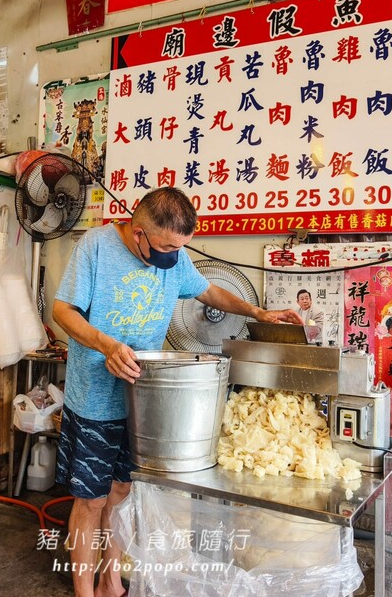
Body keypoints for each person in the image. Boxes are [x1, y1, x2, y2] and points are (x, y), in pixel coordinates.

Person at [52, 187, 301, 597]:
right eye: (167, 246)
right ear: (138, 233)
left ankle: (110, 579)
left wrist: (258, 312)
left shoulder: (175, 258)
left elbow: (207, 291)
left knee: (122, 493)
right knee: (91, 500)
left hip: (144, 402)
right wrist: (107, 345)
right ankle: (83, 590)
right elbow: (64, 310)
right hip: (96, 399)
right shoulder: (96, 246)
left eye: (181, 247)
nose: (175, 256)